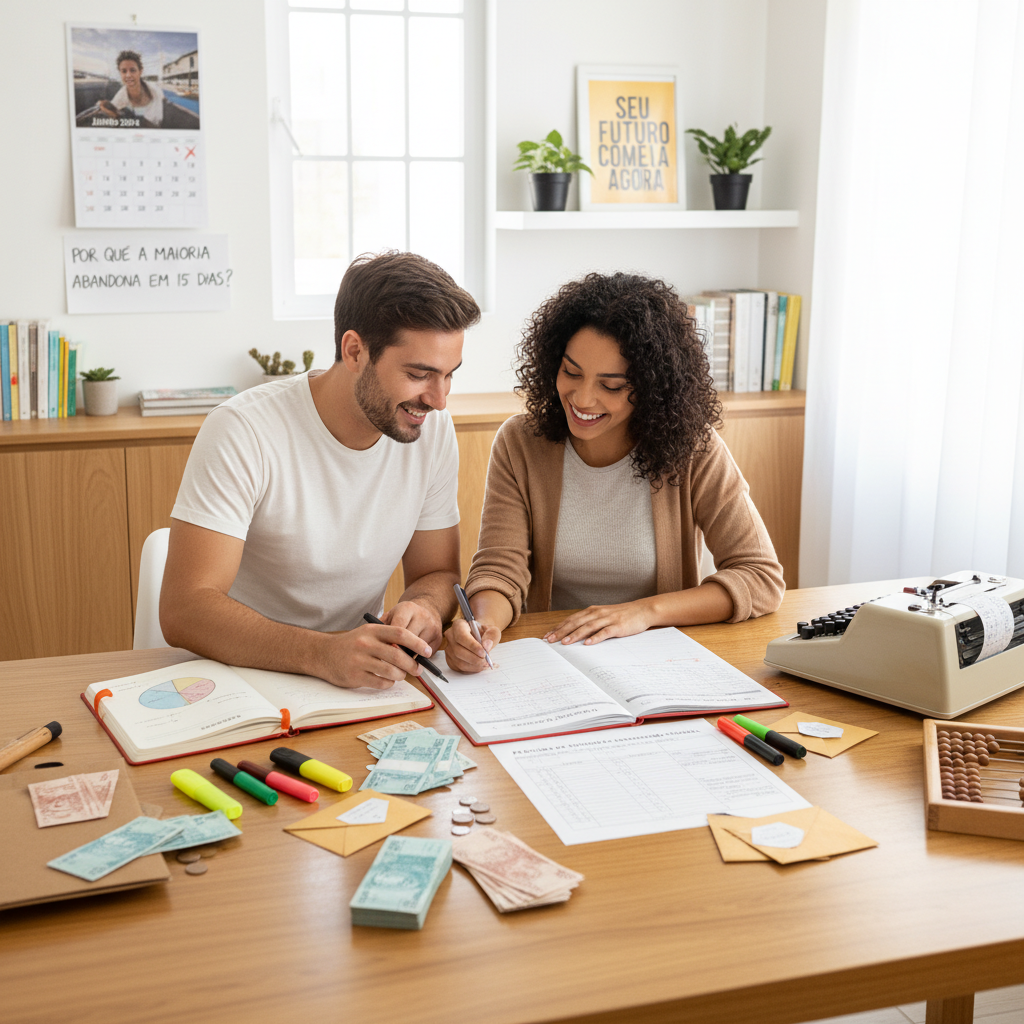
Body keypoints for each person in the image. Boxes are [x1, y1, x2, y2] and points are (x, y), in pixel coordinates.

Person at [160, 251, 481, 689]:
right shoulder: (243, 430)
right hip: (239, 677)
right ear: (354, 351)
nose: (439, 399)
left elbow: (436, 574)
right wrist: (322, 653)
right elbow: (185, 610)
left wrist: (423, 606)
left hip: (353, 681)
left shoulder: (431, 429)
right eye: (419, 374)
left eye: (449, 375)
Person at [444, 271, 785, 673]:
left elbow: (760, 578)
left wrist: (642, 613)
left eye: (612, 385)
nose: (583, 397)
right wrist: (482, 623)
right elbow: (500, 570)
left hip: (661, 658)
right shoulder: (521, 443)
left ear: (653, 387)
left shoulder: (694, 448)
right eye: (571, 372)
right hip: (558, 658)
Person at [98, 50, 165, 127]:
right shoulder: (121, 96)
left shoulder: (155, 91)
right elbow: (111, 109)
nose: (128, 75)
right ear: (120, 73)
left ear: (140, 71)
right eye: (124, 71)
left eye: (132, 70)